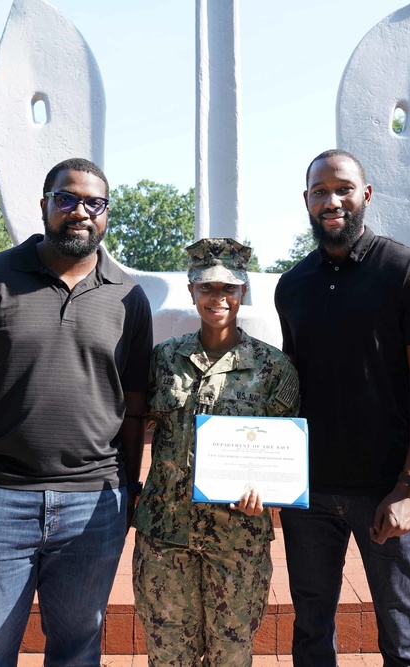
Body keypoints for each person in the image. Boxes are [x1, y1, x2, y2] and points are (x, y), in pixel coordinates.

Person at [0, 157, 153, 667]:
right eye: (66, 199)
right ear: (44, 206)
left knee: (77, 649)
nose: (80, 211)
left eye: (94, 203)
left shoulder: (129, 297)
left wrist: (130, 484)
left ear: (106, 213)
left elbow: (134, 403)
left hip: (94, 503)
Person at [274, 149, 410, 667]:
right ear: (306, 200)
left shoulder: (405, 270)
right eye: (320, 191)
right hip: (312, 496)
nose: (332, 200)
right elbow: (296, 382)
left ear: (365, 194)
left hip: (385, 490)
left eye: (343, 188)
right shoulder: (293, 286)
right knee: (310, 631)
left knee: (401, 633)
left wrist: (409, 487)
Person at [132, 238, 301, 667]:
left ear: (243, 292)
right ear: (191, 291)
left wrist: (269, 491)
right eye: (207, 287)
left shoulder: (273, 368)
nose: (218, 297)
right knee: (169, 654)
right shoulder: (164, 359)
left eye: (229, 288)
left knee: (231, 653)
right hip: (165, 537)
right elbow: (134, 425)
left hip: (237, 539)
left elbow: (285, 451)